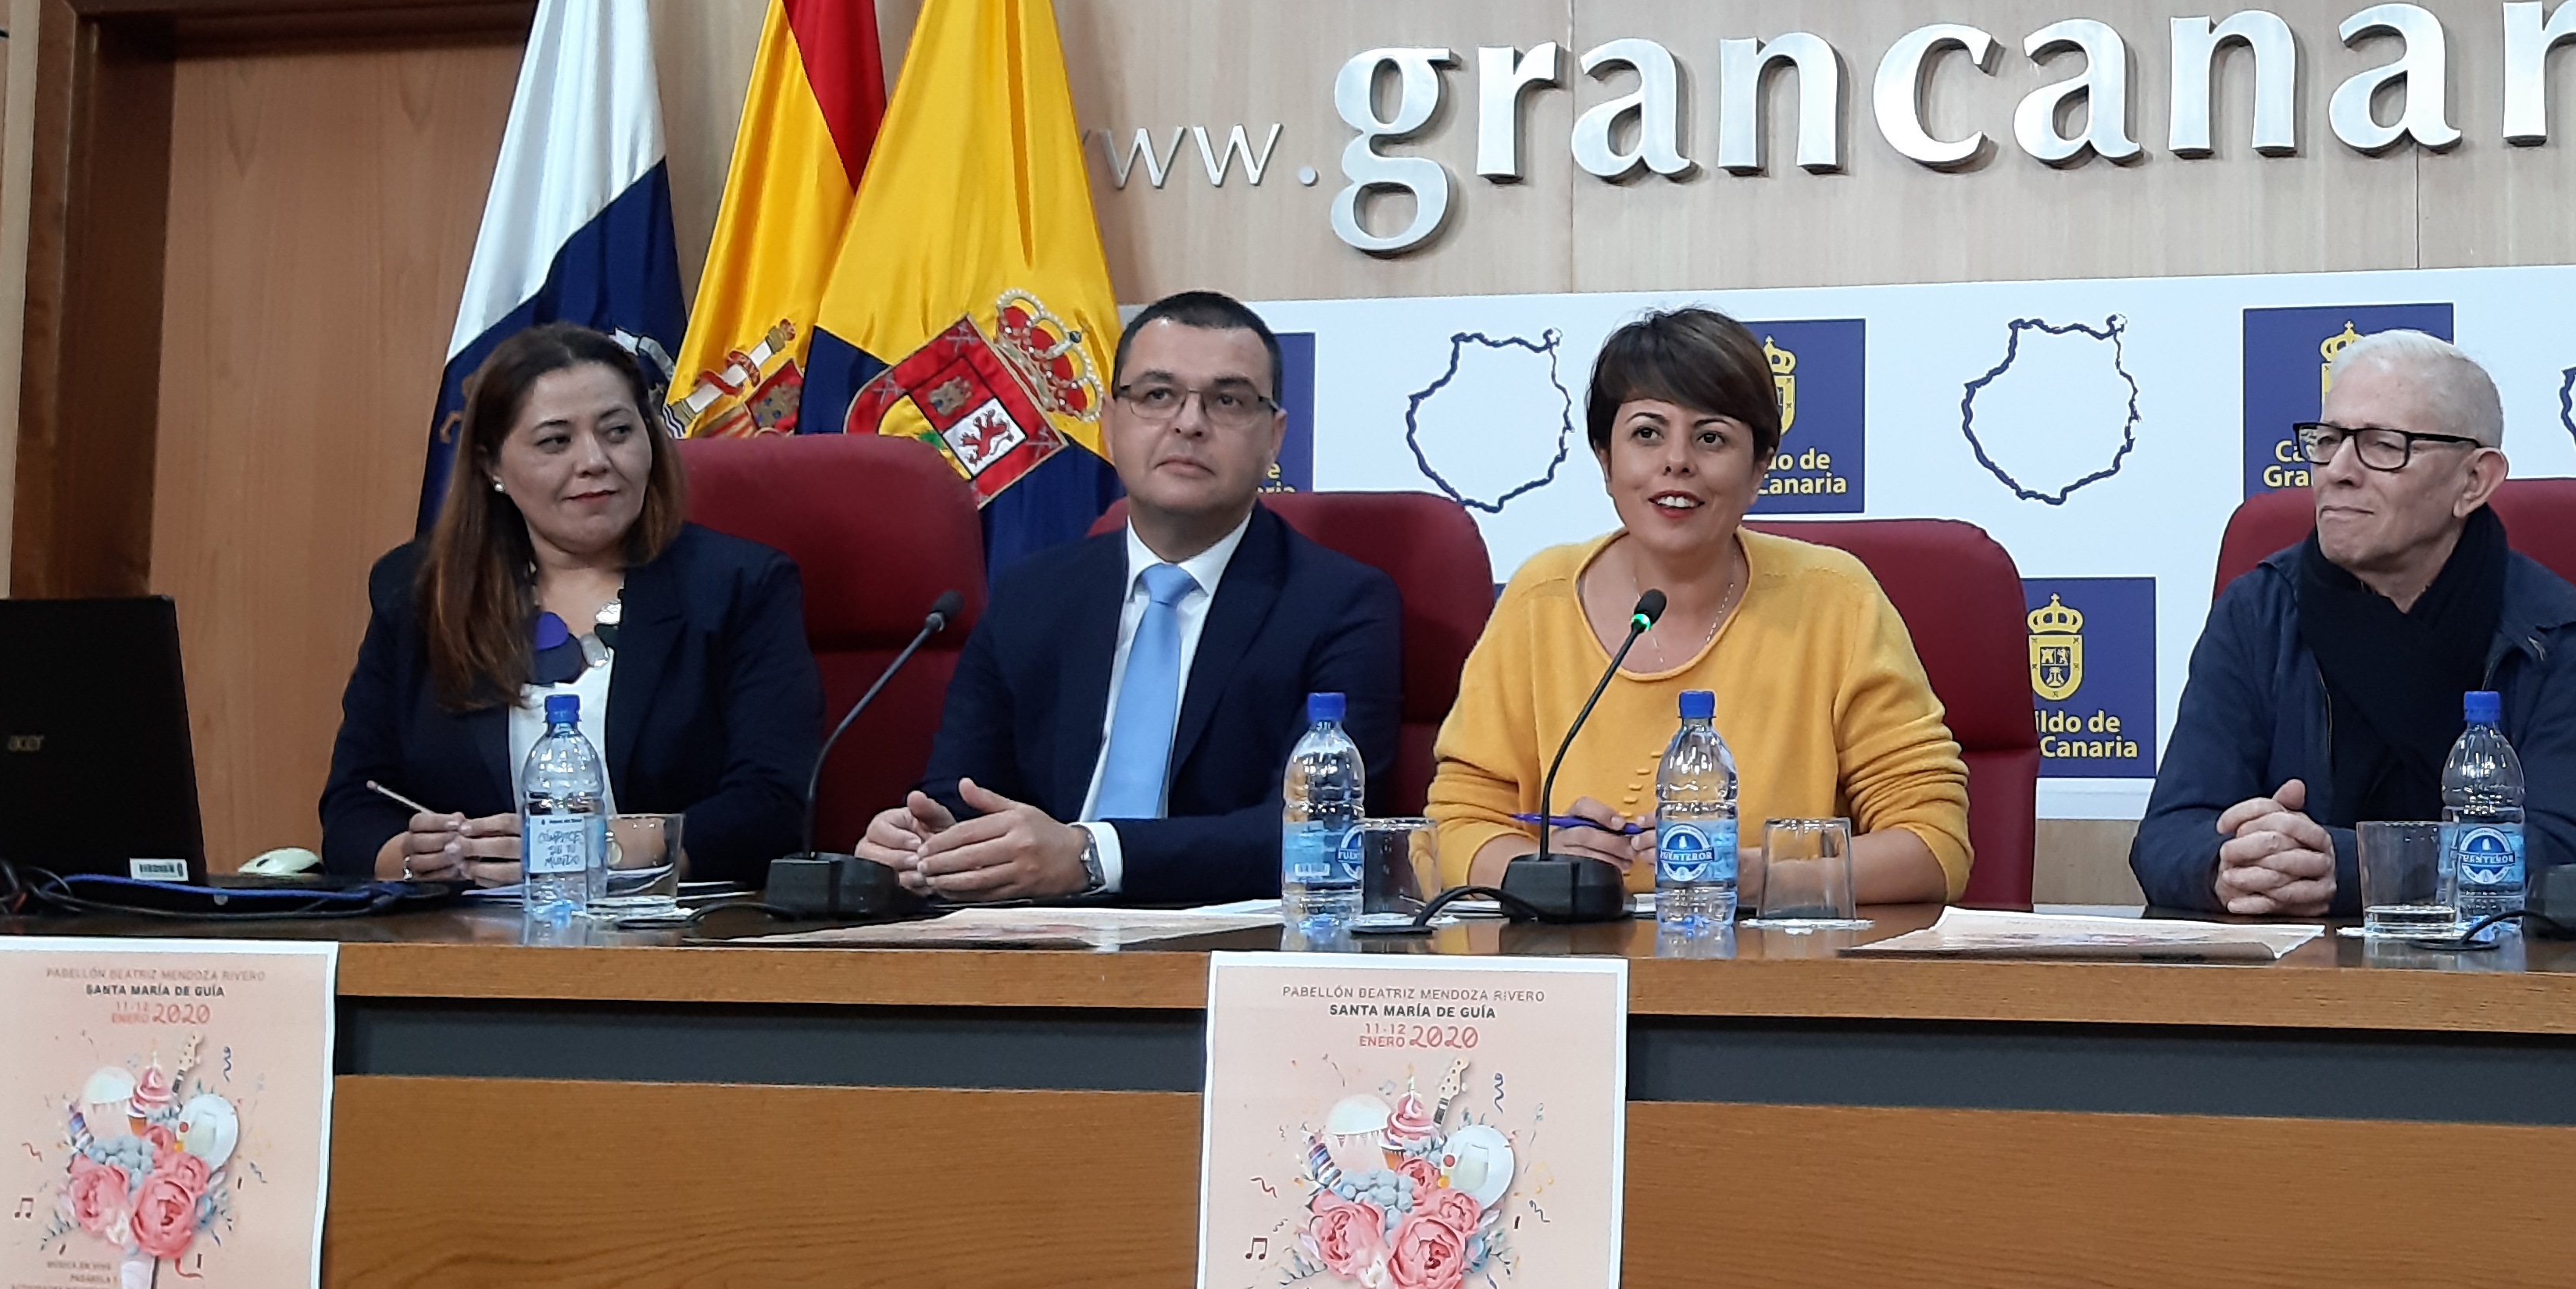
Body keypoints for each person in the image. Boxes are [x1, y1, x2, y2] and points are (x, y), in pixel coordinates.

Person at [863, 291, 1402, 904]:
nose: (1190, 422)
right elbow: (960, 791)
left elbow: (1321, 831)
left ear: (1274, 437)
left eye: (1227, 400)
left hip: (1217, 946)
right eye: (1156, 395)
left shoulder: (1341, 603)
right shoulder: (1031, 593)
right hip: (1027, 942)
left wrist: (1092, 856)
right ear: (1109, 425)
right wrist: (926, 841)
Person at [1433, 306, 1970, 908]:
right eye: (1646, 433)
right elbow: (1455, 825)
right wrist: (1545, 870)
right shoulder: (1541, 599)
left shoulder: (1835, 601)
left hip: (1777, 984)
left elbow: (1932, 845)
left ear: (1760, 468)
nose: (1677, 461)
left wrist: (1761, 877)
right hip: (1574, 979)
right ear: (1606, 462)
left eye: (1711, 438)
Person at [2135, 329, 2576, 920]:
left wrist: (2340, 865)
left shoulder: (2553, 635)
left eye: (2383, 446)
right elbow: (2167, 836)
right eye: (2328, 440)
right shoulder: (2258, 612)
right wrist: (2229, 864)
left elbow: (2562, 856)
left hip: (2494, 987)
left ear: (2474, 481)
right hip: (2288, 985)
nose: (2337, 470)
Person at [318, 323, 821, 881]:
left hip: (677, 937)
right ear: (491, 467)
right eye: (556, 441)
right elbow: (354, 806)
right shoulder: (417, 592)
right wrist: (415, 857)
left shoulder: (739, 586)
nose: (594, 461)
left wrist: (595, 852)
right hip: (466, 937)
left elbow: (772, 804)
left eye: (618, 431)